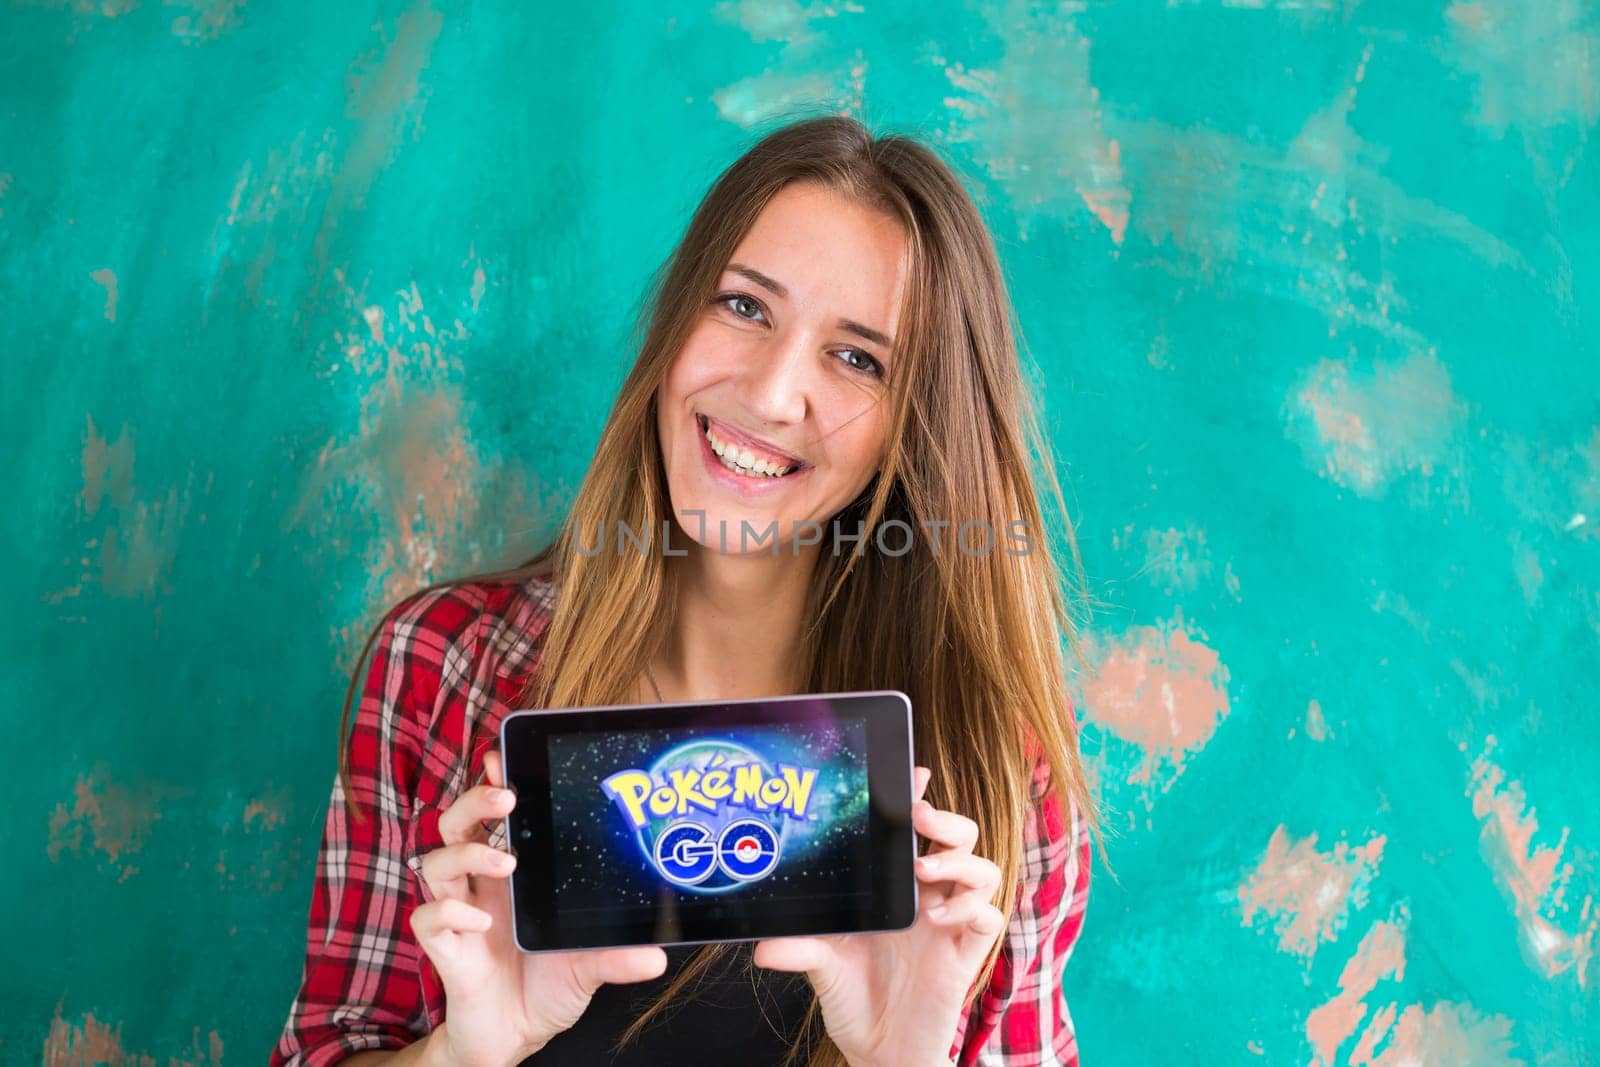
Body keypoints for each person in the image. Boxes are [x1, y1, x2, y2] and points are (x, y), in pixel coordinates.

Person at [270, 114, 1099, 1067]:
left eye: (859, 356)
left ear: (912, 432)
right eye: (745, 306)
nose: (771, 392)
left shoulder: (998, 751)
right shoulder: (442, 666)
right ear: (675, 321)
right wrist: (464, 1052)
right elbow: (324, 1048)